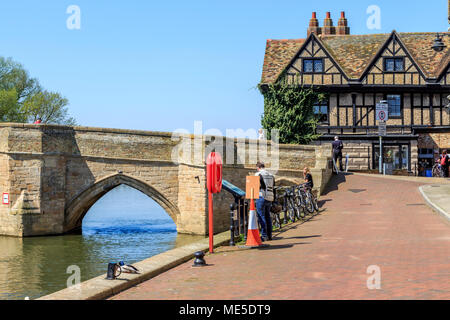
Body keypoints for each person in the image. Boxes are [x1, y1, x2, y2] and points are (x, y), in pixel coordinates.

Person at [255, 161, 275, 241]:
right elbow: (273, 186)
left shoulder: (258, 174)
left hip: (261, 196)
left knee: (261, 216)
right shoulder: (271, 175)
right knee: (267, 217)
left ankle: (263, 235)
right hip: (270, 197)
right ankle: (269, 235)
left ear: (258, 167)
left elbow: (255, 186)